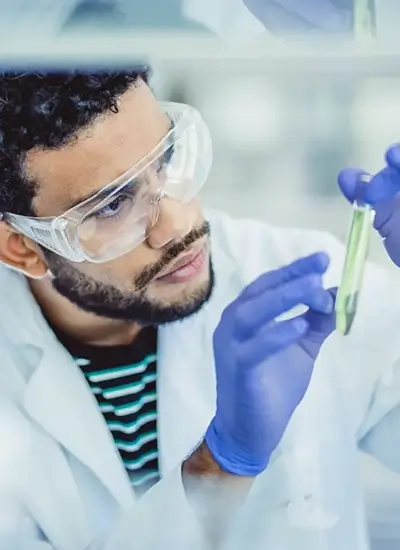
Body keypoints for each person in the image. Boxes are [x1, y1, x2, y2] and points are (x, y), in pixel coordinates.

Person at [0, 69, 400, 550]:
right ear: (23, 248)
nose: (177, 222)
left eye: (165, 160)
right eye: (111, 206)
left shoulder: (298, 277)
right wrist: (222, 463)